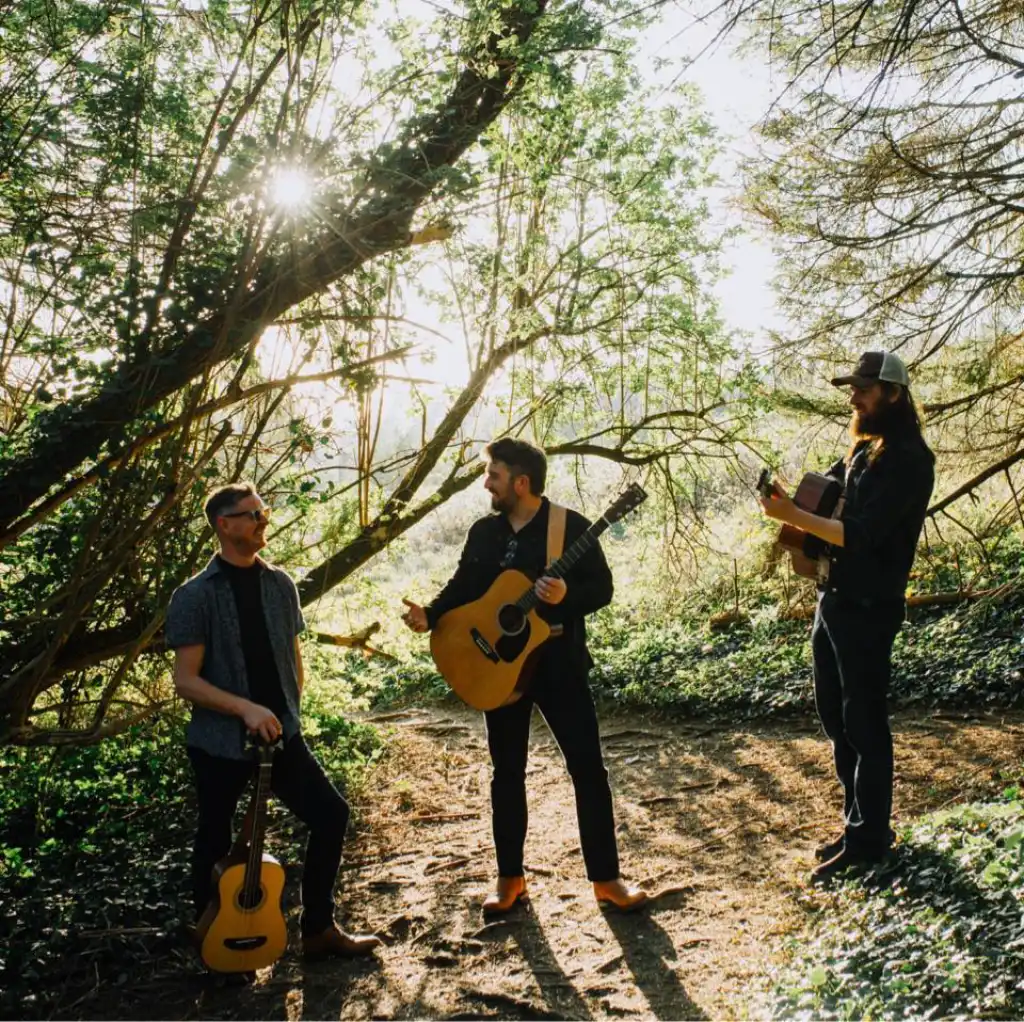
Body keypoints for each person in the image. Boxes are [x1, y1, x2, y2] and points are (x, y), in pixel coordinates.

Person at [401, 438, 649, 914]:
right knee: (507, 773)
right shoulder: (484, 532)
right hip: (498, 666)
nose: (486, 483)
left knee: (587, 770)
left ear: (521, 482)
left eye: (492, 475)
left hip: (559, 666)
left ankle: (607, 879)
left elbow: (602, 589)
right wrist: (431, 614)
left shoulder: (569, 527)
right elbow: (465, 586)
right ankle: (509, 879)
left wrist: (565, 596)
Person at [166, 482, 381, 959]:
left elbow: (293, 659)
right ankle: (218, 948)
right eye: (254, 514)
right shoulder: (194, 596)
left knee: (331, 815)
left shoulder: (280, 584)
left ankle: (319, 930)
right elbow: (186, 680)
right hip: (218, 742)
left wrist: (287, 714)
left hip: (281, 736)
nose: (264, 521)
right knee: (215, 839)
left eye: (264, 512)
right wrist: (245, 708)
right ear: (225, 525)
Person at [760, 351, 935, 883]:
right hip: (834, 599)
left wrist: (792, 515)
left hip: (870, 608)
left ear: (893, 394)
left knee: (864, 723)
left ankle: (869, 843)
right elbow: (827, 500)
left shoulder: (909, 459)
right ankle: (858, 825)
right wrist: (791, 511)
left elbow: (860, 533)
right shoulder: (864, 449)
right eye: (853, 388)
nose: (853, 397)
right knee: (836, 719)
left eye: (863, 388)